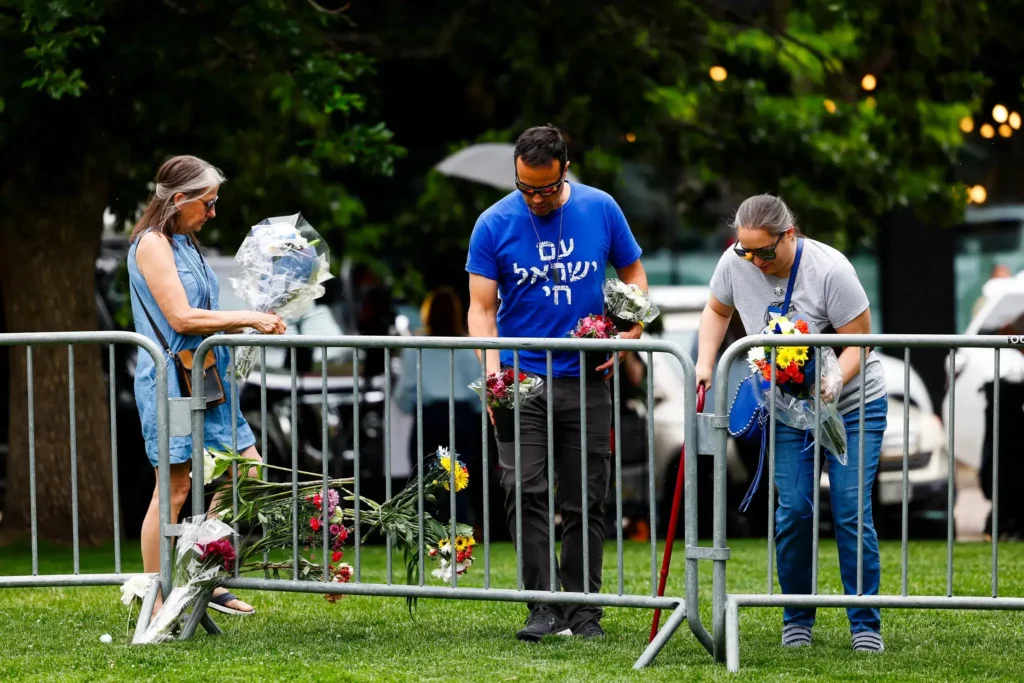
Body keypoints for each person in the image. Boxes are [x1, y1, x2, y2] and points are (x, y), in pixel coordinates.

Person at [466, 125, 648, 641]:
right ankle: (541, 608)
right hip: (519, 379)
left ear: (564, 169)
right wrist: (491, 371)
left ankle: (583, 612)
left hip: (586, 375)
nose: (538, 199)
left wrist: (631, 325)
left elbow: (633, 271)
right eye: (527, 188)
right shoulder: (494, 221)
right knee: (523, 490)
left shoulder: (601, 207)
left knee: (585, 498)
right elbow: (481, 309)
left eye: (546, 188)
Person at [694, 194, 888, 653]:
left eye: (765, 252)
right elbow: (717, 310)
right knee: (795, 510)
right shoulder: (735, 261)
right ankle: (797, 616)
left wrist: (836, 377)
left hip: (853, 405)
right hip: (789, 412)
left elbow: (861, 340)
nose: (755, 262)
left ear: (790, 235)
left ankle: (865, 626)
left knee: (849, 511)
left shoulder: (831, 270)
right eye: (747, 252)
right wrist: (705, 363)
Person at [128, 155, 287, 618]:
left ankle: (201, 573)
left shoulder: (187, 243)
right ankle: (156, 599)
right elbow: (180, 319)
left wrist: (253, 322)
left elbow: (201, 321)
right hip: (171, 382)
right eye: (208, 203)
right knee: (173, 490)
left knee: (247, 473)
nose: (213, 212)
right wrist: (249, 316)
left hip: (207, 378)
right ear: (179, 199)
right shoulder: (152, 244)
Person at [398, 286, 484, 531]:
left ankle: (425, 530)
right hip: (462, 416)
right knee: (462, 478)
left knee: (424, 478)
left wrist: (410, 406)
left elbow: (405, 390)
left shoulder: (416, 348)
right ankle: (463, 528)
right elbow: (480, 387)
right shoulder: (468, 346)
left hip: (430, 416)